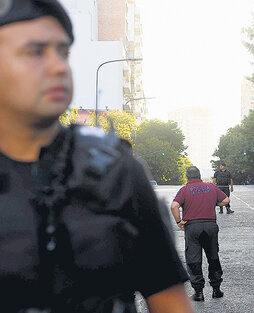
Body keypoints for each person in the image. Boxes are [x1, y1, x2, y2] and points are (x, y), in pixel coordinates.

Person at [0, 1, 193, 312]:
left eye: (62, 52)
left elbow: (171, 304)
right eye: (35, 52)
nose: (59, 66)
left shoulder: (118, 173)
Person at [171, 166, 229, 302]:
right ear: (200, 176)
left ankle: (198, 293)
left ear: (187, 177)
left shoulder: (185, 189)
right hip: (210, 226)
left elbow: (174, 206)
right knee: (213, 257)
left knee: (194, 259)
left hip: (193, 227)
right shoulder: (211, 187)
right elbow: (226, 200)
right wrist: (212, 203)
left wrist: (179, 222)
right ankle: (216, 290)